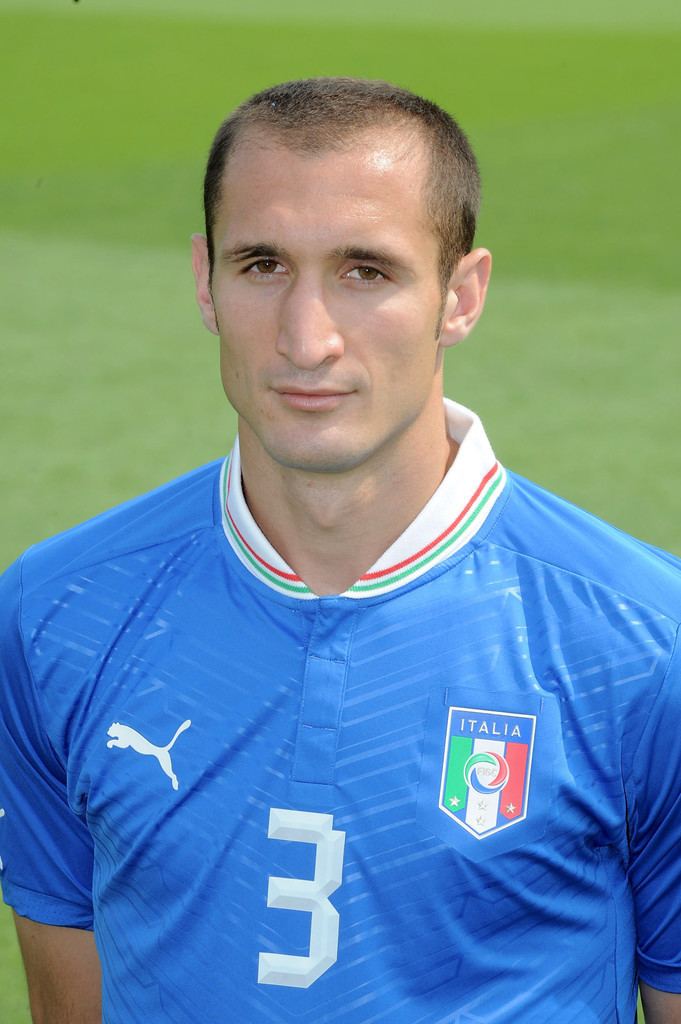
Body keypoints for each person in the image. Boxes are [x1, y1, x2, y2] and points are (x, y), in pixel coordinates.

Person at [0, 77, 679, 1024]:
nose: (306, 338)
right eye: (262, 265)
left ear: (461, 295)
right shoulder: (57, 613)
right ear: (204, 280)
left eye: (366, 271)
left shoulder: (645, 644)